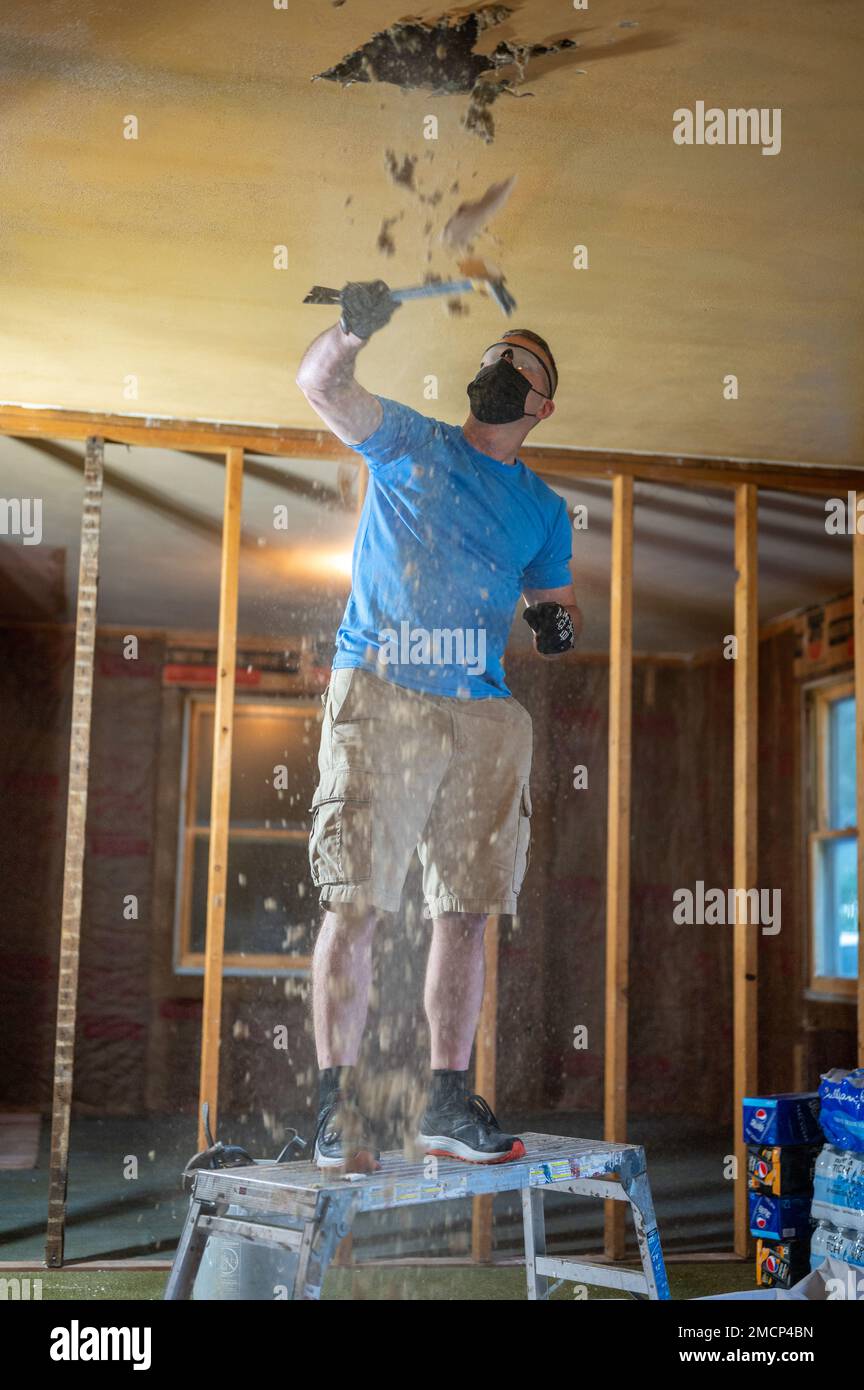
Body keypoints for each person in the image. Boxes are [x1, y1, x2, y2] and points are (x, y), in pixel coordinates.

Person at [296, 279, 582, 1171]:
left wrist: (555, 624)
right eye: (493, 355)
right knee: (358, 902)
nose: (497, 366)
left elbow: (556, 603)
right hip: (381, 690)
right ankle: (340, 1107)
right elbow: (321, 387)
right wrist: (350, 332)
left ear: (542, 404)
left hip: (481, 712)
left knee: (466, 911)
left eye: (518, 364)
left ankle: (446, 1102)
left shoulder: (543, 510)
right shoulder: (411, 441)